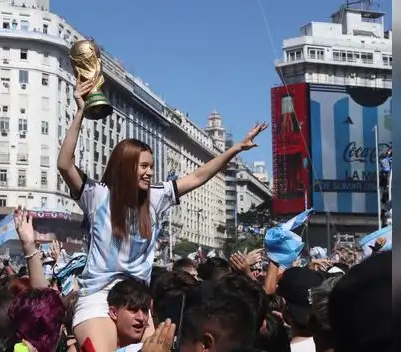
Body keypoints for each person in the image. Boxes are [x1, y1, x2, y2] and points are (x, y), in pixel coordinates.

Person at [57, 78, 268, 350]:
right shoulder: (97, 195)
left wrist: (235, 149)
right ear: (125, 167)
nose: (149, 172)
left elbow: (198, 176)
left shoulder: (156, 197)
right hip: (99, 298)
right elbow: (65, 164)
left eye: (151, 166)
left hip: (138, 304)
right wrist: (80, 112)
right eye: (143, 166)